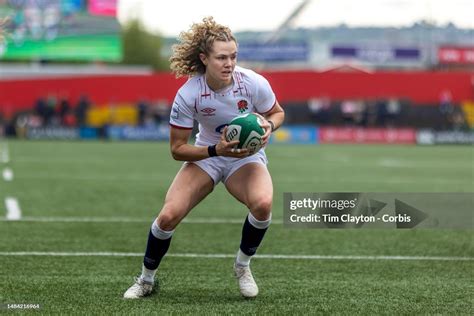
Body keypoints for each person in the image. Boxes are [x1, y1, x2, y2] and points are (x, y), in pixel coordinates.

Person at [123, 17, 285, 299]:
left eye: (233, 56)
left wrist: (268, 126)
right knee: (168, 216)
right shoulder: (189, 94)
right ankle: (146, 280)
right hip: (207, 154)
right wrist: (215, 151)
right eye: (221, 57)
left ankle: (242, 266)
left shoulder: (253, 82)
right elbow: (177, 149)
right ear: (204, 58)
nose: (229, 63)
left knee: (263, 204)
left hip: (244, 158)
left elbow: (277, 112)